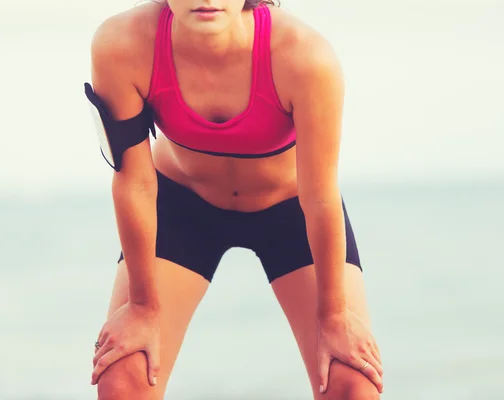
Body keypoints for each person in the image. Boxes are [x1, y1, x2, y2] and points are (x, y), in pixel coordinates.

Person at [86, 0, 383, 398]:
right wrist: (141, 307)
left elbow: (319, 197)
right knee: (122, 379)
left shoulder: (305, 56)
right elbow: (135, 183)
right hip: (183, 204)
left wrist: (333, 317)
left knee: (352, 384)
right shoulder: (121, 44)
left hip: (290, 210)